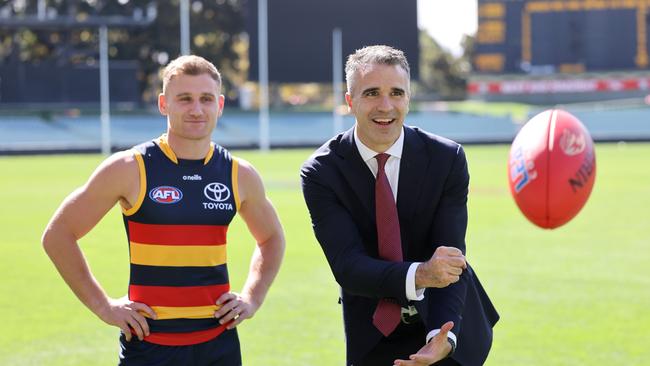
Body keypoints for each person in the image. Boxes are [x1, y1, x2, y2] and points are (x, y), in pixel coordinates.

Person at [42, 55, 285, 366]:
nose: (197, 109)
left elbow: (272, 238)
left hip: (219, 345)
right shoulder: (130, 168)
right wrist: (104, 307)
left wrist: (252, 297)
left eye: (206, 99)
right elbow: (58, 235)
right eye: (184, 99)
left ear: (220, 105)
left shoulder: (239, 174)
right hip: (149, 346)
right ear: (163, 104)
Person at [300, 45, 499, 366]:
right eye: (372, 93)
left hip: (447, 324)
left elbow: (450, 259)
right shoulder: (322, 171)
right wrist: (421, 274)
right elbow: (348, 267)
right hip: (373, 332)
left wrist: (443, 336)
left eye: (397, 93)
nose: (386, 105)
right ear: (350, 101)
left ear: (408, 98)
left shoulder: (447, 159)